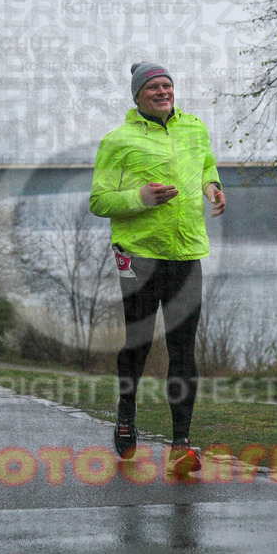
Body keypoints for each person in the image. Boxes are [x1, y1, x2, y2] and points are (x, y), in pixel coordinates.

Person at [90, 62, 225, 475]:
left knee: (183, 348)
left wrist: (212, 187)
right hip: (139, 254)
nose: (163, 91)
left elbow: (205, 165)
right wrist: (140, 197)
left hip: (186, 252)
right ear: (137, 96)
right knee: (139, 342)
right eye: (153, 87)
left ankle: (180, 443)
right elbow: (99, 200)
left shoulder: (194, 128)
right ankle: (126, 413)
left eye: (167, 84)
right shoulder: (118, 141)